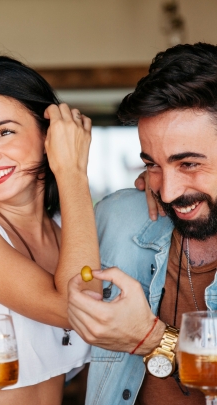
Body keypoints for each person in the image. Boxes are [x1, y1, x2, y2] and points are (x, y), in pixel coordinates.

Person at [68, 42, 217, 405]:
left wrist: (153, 340)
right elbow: (57, 347)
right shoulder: (117, 218)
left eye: (188, 164)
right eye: (153, 164)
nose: (166, 192)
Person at [0, 56, 101, 405]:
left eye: (4, 132)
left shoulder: (69, 235)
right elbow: (75, 309)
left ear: (49, 135)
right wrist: (73, 172)